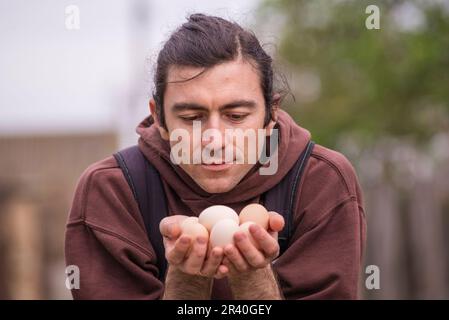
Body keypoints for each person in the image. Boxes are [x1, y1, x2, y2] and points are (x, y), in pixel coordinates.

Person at [65, 13, 366, 300]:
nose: (214, 140)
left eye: (235, 116)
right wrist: (187, 280)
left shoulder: (322, 181)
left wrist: (252, 277)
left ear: (270, 115)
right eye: (192, 117)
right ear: (159, 118)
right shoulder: (113, 191)